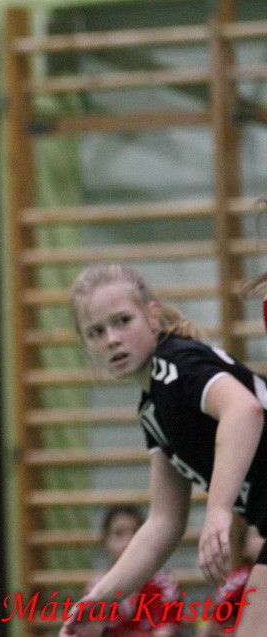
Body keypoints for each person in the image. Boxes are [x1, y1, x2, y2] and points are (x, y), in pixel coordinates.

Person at [60, 263, 266, 637]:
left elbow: (243, 410)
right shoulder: (153, 408)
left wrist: (218, 511)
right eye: (96, 332)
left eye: (123, 321)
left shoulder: (174, 366)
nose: (112, 339)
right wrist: (102, 598)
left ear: (152, 317)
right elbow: (164, 523)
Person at [88, 505, 180, 637]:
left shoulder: (164, 585)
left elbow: (167, 632)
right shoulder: (95, 591)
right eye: (119, 534)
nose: (128, 542)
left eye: (136, 533)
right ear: (105, 542)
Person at [197, 515, 264, 636]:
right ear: (244, 544)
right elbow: (213, 621)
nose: (264, 541)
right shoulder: (242, 577)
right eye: (260, 534)